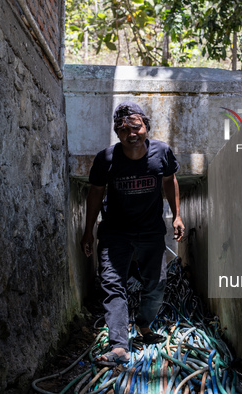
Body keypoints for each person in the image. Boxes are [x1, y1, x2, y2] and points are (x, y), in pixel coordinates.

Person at [80, 101, 184, 365]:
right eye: (123, 129)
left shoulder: (162, 153)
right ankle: (119, 346)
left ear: (146, 127)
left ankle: (144, 325)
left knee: (157, 283)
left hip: (150, 231)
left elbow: (169, 180)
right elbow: (95, 192)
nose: (131, 134)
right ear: (118, 133)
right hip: (115, 232)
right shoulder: (106, 159)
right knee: (113, 284)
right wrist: (88, 231)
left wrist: (177, 216)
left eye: (135, 127)